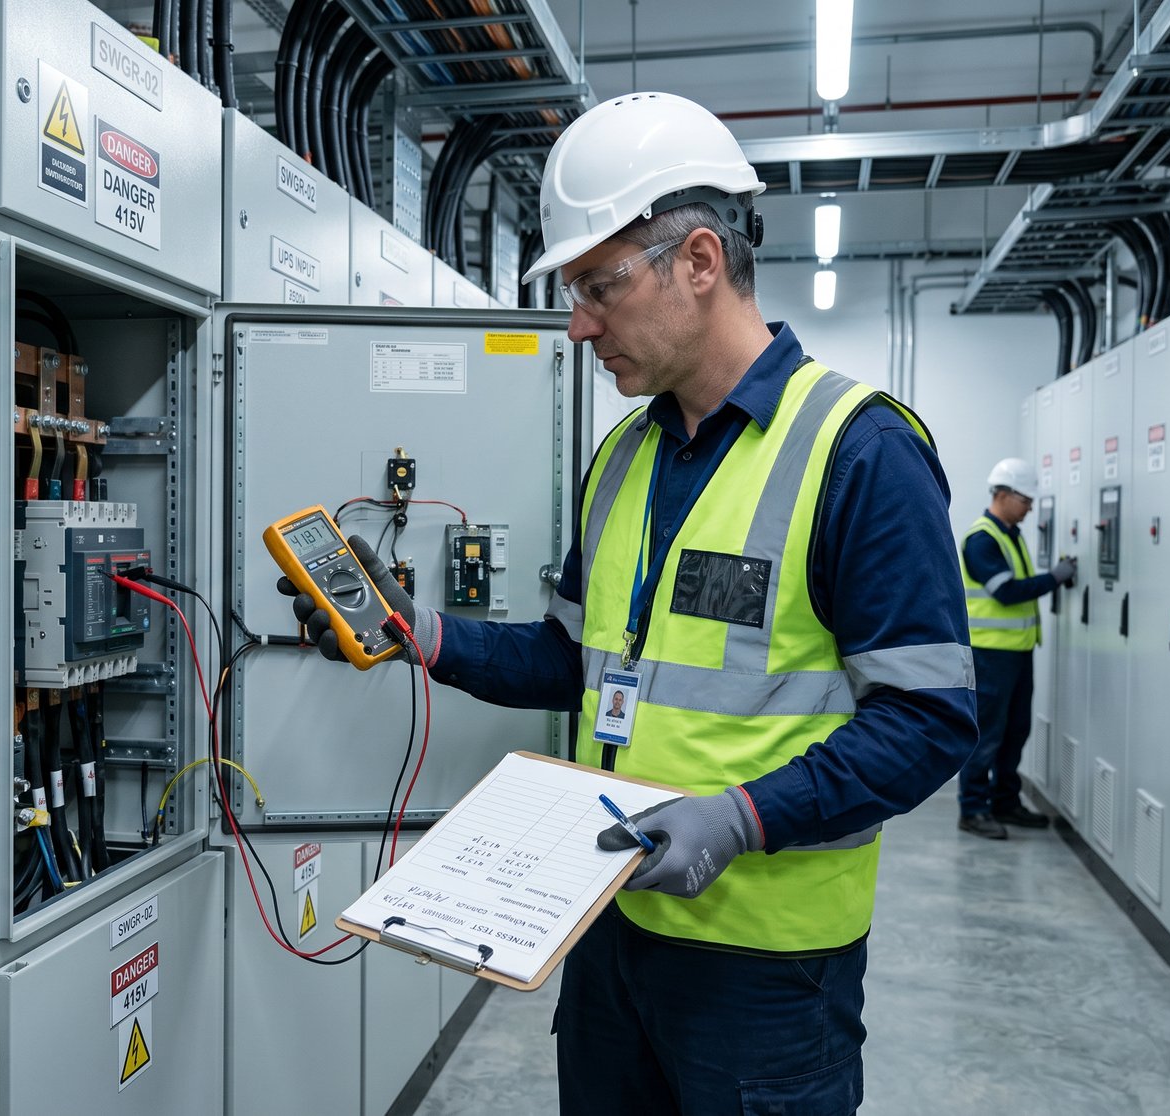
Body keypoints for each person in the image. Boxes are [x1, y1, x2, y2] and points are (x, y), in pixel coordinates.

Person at [281, 92, 975, 1114]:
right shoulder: (622, 458)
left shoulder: (858, 453)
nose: (576, 324)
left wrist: (738, 820)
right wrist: (418, 636)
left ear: (699, 262)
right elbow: (576, 659)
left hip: (765, 970)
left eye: (599, 285)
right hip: (607, 928)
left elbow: (926, 721)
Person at [955, 458, 1077, 839]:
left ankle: (1005, 802)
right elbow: (1005, 592)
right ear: (1003, 495)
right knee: (988, 733)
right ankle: (973, 810)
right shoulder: (982, 539)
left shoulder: (1009, 533)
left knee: (1015, 730)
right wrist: (1053, 579)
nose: (1030, 507)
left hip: (1017, 651)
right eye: (1025, 499)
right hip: (991, 654)